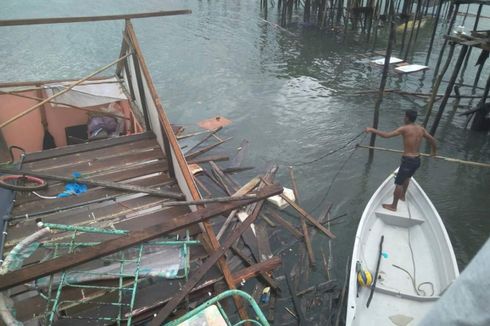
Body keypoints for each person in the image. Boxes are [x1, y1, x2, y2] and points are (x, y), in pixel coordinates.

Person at [365, 110, 437, 212]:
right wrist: (434, 152)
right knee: (407, 177)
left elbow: (386, 135)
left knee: (399, 183)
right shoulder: (421, 129)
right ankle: (403, 196)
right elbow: (433, 140)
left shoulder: (404, 129)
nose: (403, 118)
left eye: (404, 116)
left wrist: (372, 129)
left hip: (408, 161)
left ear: (407, 118)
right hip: (417, 160)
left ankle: (393, 206)